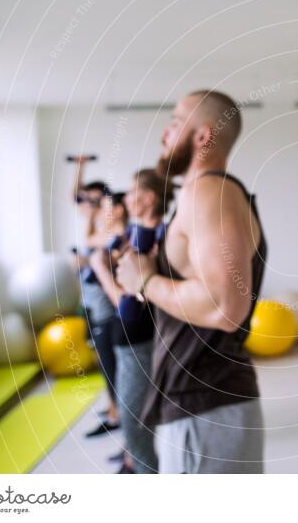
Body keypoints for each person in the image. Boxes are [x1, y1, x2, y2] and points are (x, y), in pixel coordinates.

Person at [116, 90, 267, 474]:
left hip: (204, 403)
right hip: (203, 403)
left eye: (174, 121)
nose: (164, 133)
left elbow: (224, 306)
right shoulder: (200, 195)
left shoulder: (209, 191)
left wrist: (146, 280)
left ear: (202, 136)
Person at [90, 169, 170, 474]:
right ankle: (134, 463)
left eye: (133, 192)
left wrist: (101, 269)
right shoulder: (136, 238)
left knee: (133, 420)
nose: (126, 198)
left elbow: (130, 306)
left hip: (140, 340)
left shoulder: (158, 239)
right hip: (128, 340)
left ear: (149, 198)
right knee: (130, 417)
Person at [70, 158, 127, 437]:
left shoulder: (112, 232)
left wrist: (87, 262)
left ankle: (118, 413)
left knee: (110, 362)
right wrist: (79, 169)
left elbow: (98, 247)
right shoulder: (96, 228)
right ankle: (114, 408)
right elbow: (76, 197)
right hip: (92, 304)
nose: (88, 205)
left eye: (97, 201)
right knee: (105, 362)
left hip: (107, 308)